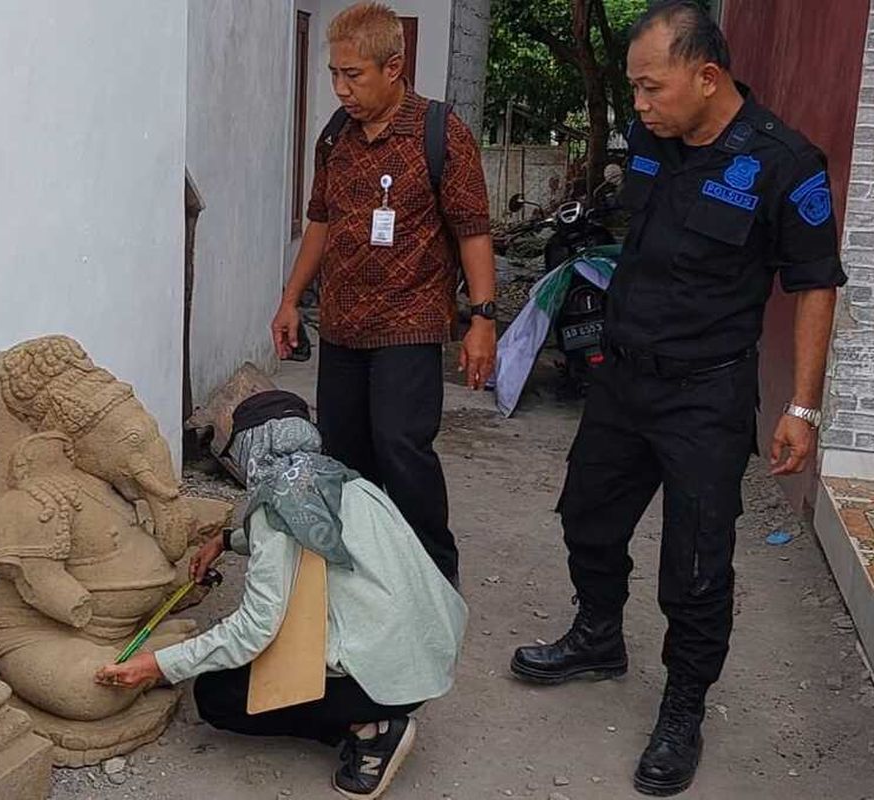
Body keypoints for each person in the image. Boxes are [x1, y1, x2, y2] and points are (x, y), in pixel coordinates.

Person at [510, 3, 846, 796]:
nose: (640, 106)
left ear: (708, 75)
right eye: (633, 89)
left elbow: (815, 286)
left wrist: (802, 408)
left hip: (706, 394)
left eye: (651, 87)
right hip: (623, 379)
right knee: (588, 517)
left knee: (696, 564)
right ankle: (598, 637)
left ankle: (684, 706)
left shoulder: (783, 164)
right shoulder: (656, 142)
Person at [96, 390, 467, 800]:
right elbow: (307, 534)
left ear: (252, 448)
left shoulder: (277, 508)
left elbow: (255, 628)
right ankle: (369, 713)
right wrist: (227, 540)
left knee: (218, 696)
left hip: (384, 679)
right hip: (428, 654)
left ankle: (371, 731)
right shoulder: (340, 478)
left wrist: (160, 665)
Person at [270, 2, 496, 583]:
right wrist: (291, 298)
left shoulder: (440, 133)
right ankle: (362, 570)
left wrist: (483, 319)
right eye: (334, 75)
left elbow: (472, 230)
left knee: (401, 446)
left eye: (354, 75)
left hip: (410, 325)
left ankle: (434, 574)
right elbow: (319, 220)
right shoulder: (335, 138)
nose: (341, 88)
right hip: (343, 326)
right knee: (344, 454)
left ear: (393, 67)